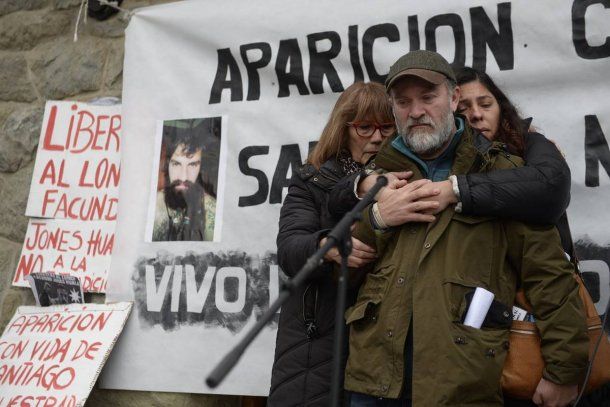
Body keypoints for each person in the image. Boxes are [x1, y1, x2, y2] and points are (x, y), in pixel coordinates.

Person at [344, 50, 589, 407]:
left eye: (428, 98)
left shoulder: (501, 171)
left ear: (454, 98)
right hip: (373, 384)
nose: (416, 112)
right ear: (393, 108)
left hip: (461, 387)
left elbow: (549, 277)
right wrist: (374, 219)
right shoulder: (378, 176)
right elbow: (345, 272)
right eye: (403, 102)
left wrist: (565, 371)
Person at [268, 82, 440, 406]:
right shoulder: (311, 179)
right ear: (343, 129)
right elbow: (290, 250)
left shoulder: (416, 178)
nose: (377, 137)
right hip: (319, 341)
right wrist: (329, 246)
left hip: (388, 342)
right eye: (365, 127)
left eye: (387, 127)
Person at [152, 119, 217, 241]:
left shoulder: (212, 210)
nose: (183, 177)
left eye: (192, 165)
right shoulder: (152, 205)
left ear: (201, 167)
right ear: (167, 165)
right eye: (176, 164)